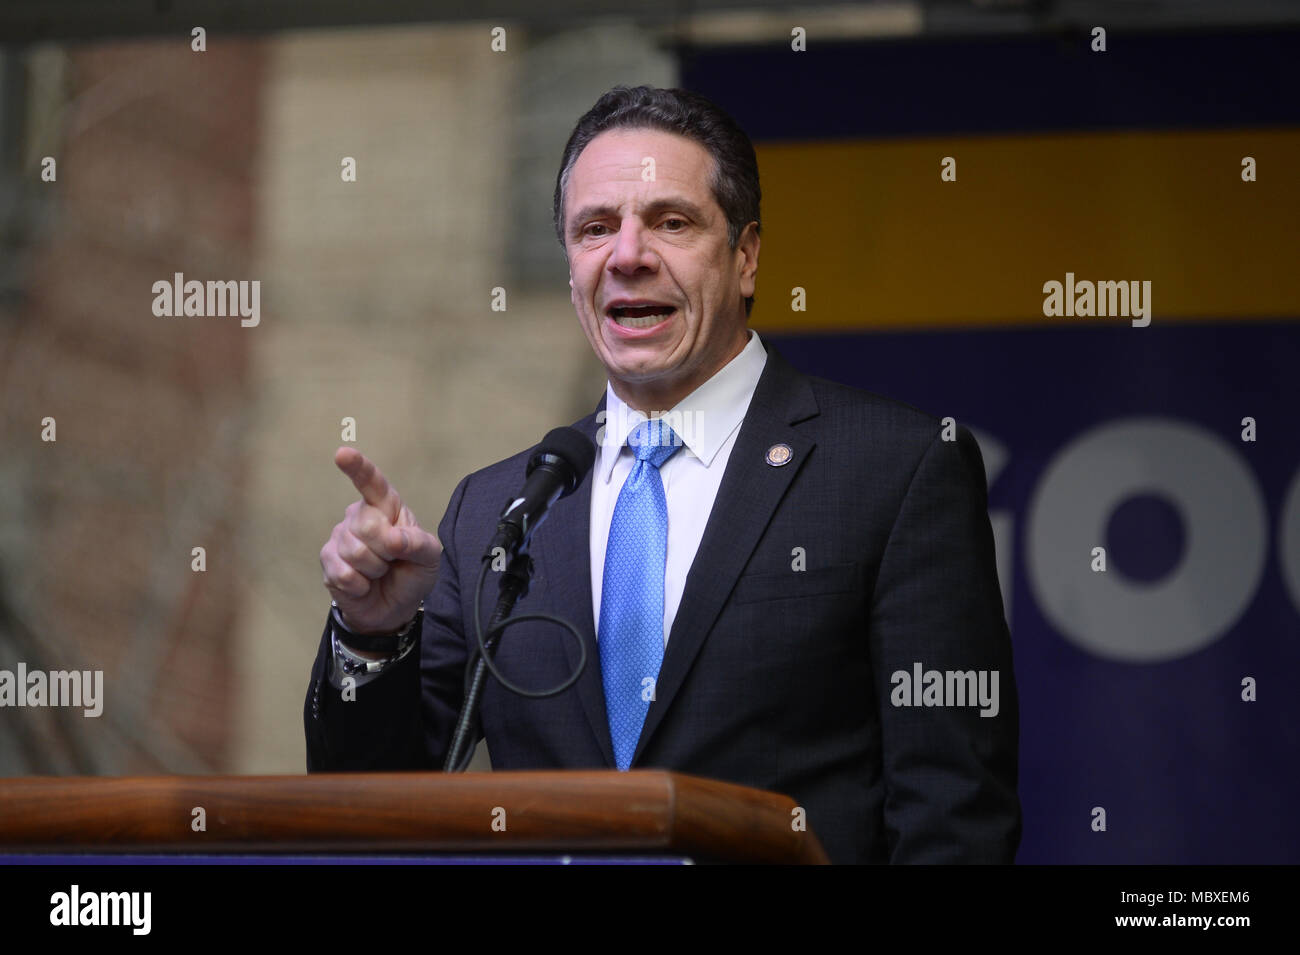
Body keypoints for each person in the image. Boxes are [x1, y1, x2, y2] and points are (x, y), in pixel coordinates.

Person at [305, 85, 1020, 864]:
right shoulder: (498, 507)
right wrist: (371, 637)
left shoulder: (897, 469)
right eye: (595, 228)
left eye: (671, 223)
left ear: (745, 257)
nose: (627, 255)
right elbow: (372, 812)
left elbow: (955, 816)